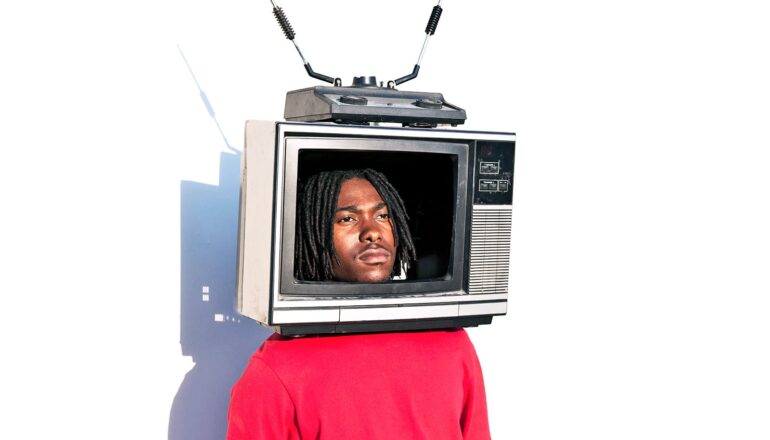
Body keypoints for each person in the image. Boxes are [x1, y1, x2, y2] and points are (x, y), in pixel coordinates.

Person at [227, 169, 490, 440]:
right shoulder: (275, 369)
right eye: (347, 218)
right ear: (311, 235)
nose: (372, 232)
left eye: (382, 215)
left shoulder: (453, 344)